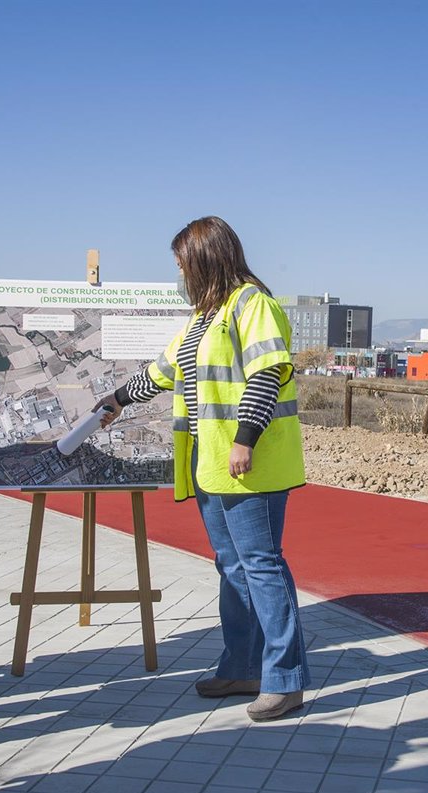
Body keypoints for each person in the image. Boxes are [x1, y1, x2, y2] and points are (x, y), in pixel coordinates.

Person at [95, 216, 309, 721]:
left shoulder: (252, 305)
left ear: (205, 259)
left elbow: (267, 374)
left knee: (261, 564)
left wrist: (245, 439)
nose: (179, 274)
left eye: (181, 264)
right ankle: (241, 666)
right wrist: (119, 400)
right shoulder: (205, 317)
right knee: (233, 567)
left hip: (247, 462)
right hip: (212, 465)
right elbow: (165, 370)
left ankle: (285, 678)